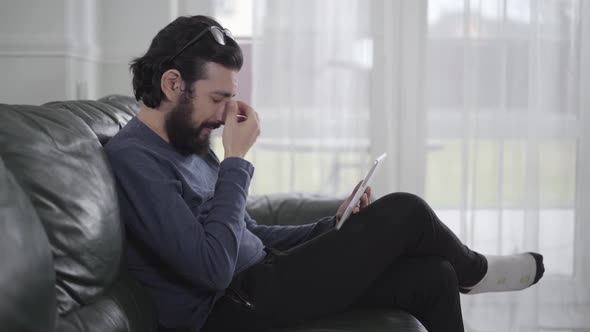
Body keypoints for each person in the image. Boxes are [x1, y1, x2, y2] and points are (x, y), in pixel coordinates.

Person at [105, 15, 545, 332]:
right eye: (217, 98)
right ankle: (477, 270)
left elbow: (247, 233)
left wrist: (332, 226)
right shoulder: (135, 160)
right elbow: (213, 269)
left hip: (262, 279)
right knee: (405, 211)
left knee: (432, 277)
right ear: (172, 84)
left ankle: (461, 272)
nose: (225, 115)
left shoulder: (190, 142)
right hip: (228, 307)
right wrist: (237, 162)